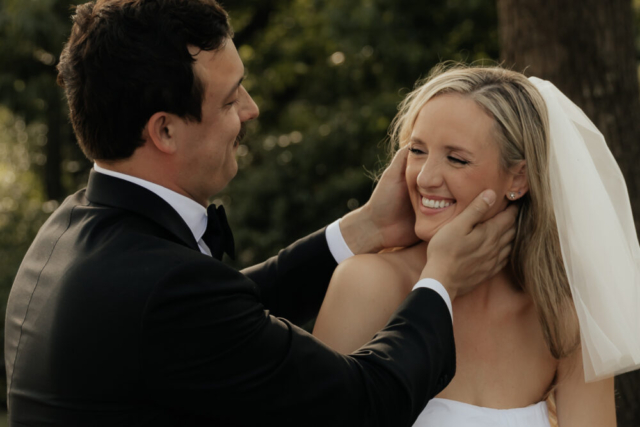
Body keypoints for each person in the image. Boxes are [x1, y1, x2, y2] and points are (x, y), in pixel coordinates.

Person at [3, 2, 518, 426]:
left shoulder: (71, 229)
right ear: (164, 131)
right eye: (229, 101)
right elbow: (363, 405)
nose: (250, 109)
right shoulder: (165, 290)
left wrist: (366, 227)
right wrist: (441, 281)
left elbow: (223, 316)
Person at [314, 65, 640, 426]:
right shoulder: (367, 284)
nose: (424, 177)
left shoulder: (560, 312)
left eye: (456, 159)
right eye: (418, 151)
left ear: (519, 177)